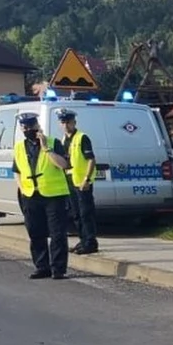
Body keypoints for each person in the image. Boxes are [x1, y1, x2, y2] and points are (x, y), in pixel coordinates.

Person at [12, 113, 71, 280]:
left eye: (31, 126)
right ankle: (42, 267)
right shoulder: (19, 147)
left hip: (54, 195)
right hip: (31, 195)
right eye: (24, 127)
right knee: (35, 233)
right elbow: (17, 171)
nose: (28, 130)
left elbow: (64, 164)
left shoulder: (53, 142)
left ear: (38, 126)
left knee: (57, 234)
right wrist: (23, 188)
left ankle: (58, 269)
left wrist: (46, 149)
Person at [58, 109, 99, 254]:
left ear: (74, 122)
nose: (66, 125)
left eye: (68, 122)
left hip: (82, 183)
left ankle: (90, 243)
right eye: (63, 122)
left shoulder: (82, 138)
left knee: (85, 214)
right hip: (70, 182)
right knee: (76, 214)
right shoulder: (64, 140)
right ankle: (83, 240)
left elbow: (91, 160)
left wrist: (86, 179)